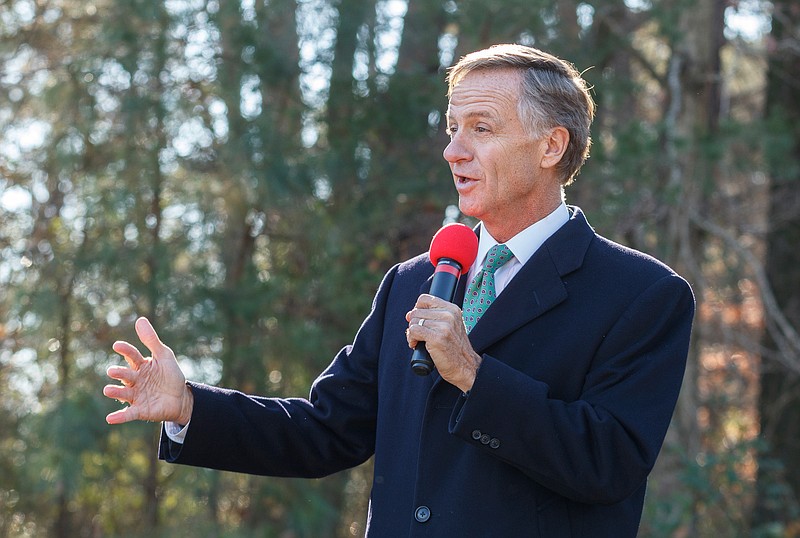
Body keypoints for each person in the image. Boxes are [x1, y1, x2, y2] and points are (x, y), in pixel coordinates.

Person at [104, 43, 694, 537]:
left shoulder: (642, 295)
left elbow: (607, 464)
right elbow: (328, 429)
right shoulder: (413, 281)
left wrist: (473, 374)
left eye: (481, 129)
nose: (453, 150)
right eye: (452, 128)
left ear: (551, 146)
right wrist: (190, 407)